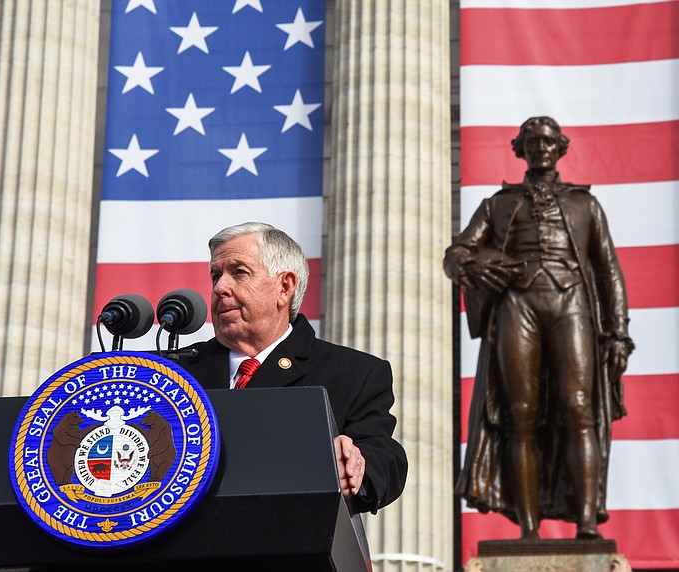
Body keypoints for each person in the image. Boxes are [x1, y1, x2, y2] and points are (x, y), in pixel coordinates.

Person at [444, 116, 634, 539]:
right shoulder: (498, 204)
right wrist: (472, 263)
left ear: (561, 147)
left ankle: (587, 523)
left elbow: (609, 273)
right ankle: (528, 530)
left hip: (572, 305)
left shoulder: (585, 205)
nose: (541, 147)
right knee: (520, 415)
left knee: (578, 408)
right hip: (518, 305)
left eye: (548, 140)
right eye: (532, 140)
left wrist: (618, 332)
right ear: (520, 148)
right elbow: (455, 254)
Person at [177, 222, 407, 513]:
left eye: (239, 273)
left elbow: (385, 455)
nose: (220, 287)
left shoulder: (353, 373)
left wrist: (358, 466)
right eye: (215, 276)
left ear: (284, 287)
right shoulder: (175, 374)